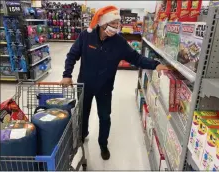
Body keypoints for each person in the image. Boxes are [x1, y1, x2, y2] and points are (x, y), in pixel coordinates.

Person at [60, 6, 169, 160]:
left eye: (118, 24)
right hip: (85, 85)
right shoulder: (86, 36)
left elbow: (136, 59)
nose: (117, 27)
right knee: (83, 113)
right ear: (103, 24)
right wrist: (66, 74)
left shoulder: (119, 42)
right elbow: (72, 55)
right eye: (114, 23)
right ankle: (82, 135)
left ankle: (103, 144)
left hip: (105, 88)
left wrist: (155, 64)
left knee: (105, 117)